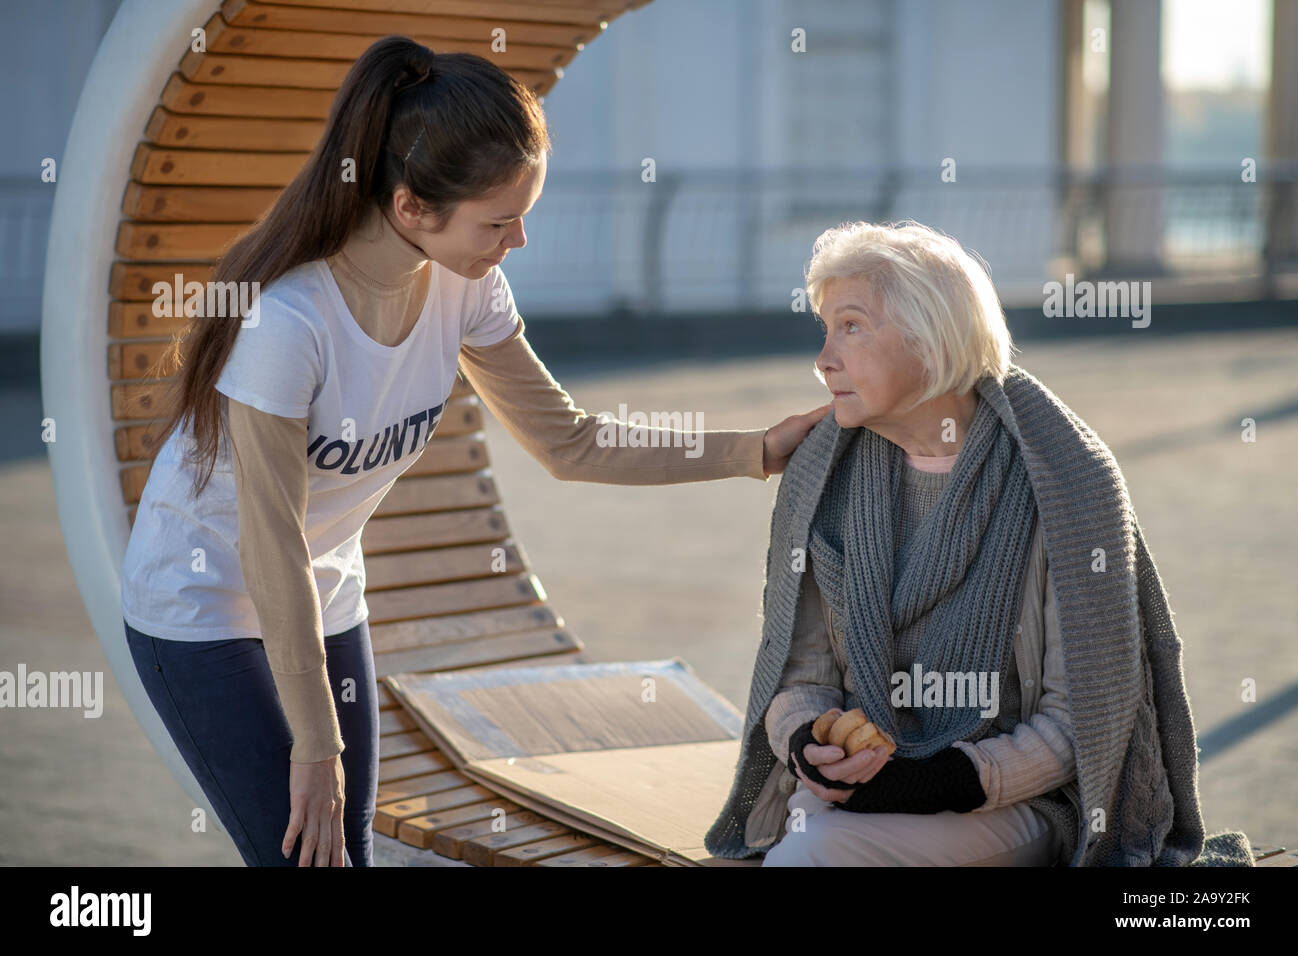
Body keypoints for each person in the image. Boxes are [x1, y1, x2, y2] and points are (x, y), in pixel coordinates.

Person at [119, 37, 828, 868]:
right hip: (202, 603)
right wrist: (317, 749)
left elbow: (570, 442)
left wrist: (755, 449)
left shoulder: (466, 283)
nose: (518, 240)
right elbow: (268, 542)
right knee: (300, 857)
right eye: (499, 220)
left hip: (325, 591)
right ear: (412, 206)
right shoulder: (290, 322)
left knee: (347, 852)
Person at [703, 219, 1245, 866]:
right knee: (810, 836)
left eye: (850, 327)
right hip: (857, 797)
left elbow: (1085, 717)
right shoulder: (824, 476)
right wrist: (809, 743)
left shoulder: (1065, 481)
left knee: (811, 855)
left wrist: (938, 781)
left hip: (1020, 806)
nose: (823, 360)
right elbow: (802, 675)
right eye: (825, 332)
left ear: (930, 338)